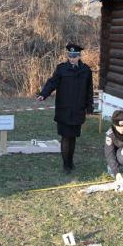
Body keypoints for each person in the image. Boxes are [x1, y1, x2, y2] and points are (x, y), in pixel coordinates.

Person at [37, 43, 94, 173]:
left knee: (73, 137)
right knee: (65, 137)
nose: (72, 58)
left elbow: (89, 90)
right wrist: (43, 94)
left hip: (78, 109)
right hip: (64, 109)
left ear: (79, 56)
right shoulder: (61, 69)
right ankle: (65, 165)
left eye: (74, 56)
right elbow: (52, 82)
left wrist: (89, 107)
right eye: (70, 56)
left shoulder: (86, 71)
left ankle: (71, 162)